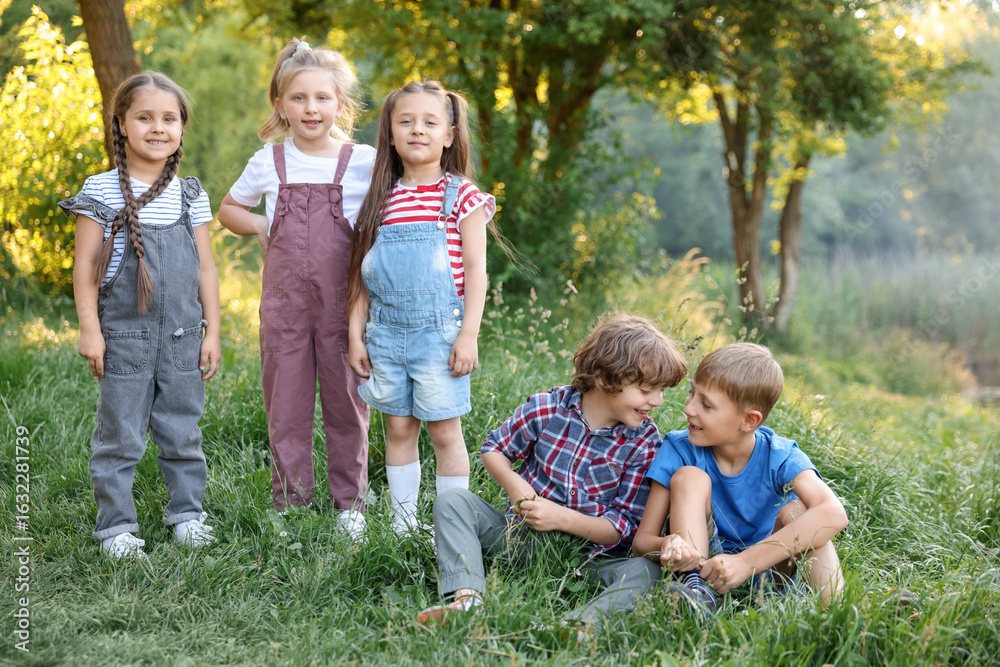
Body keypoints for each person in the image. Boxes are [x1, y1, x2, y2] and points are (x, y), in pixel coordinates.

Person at [417, 315, 689, 637]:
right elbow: (494, 449)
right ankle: (467, 602)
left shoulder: (644, 442)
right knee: (453, 502)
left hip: (589, 560)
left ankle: (577, 625)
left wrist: (561, 518)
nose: (657, 401)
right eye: (646, 390)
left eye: (660, 390)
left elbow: (623, 528)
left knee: (646, 570)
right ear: (605, 379)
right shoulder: (547, 408)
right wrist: (515, 486)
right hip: (518, 540)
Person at [218, 38, 374, 537]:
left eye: (322, 98)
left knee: (348, 404)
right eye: (299, 98)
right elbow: (229, 209)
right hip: (284, 308)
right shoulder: (270, 160)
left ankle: (350, 506)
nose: (311, 108)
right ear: (280, 105)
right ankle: (290, 504)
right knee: (286, 406)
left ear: (341, 105)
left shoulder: (363, 160)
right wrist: (260, 225)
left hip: (344, 306)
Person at [61, 72, 221, 559]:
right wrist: (90, 329)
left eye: (169, 118)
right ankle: (115, 528)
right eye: (145, 117)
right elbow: (85, 267)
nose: (158, 128)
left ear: (181, 126)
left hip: (182, 336)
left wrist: (212, 332)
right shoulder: (101, 190)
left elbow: (206, 268)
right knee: (120, 434)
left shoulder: (190, 195)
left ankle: (187, 516)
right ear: (121, 124)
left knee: (182, 431)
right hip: (124, 336)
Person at [346, 81, 494, 534]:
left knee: (445, 431)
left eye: (430, 122)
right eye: (406, 121)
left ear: (449, 135)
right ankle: (403, 524)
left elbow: (477, 271)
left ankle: (453, 525)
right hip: (386, 335)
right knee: (398, 429)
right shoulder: (381, 199)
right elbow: (364, 276)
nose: (417, 130)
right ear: (390, 135)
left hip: (440, 336)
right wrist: (355, 335)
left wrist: (468, 335)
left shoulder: (461, 195)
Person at [632, 342, 849, 615]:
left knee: (801, 511)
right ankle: (694, 592)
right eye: (692, 393)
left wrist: (746, 563)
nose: (689, 408)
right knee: (689, 477)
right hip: (704, 567)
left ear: (748, 421)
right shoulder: (678, 448)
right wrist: (668, 545)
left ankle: (837, 615)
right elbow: (642, 542)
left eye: (706, 404)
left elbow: (833, 513)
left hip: (770, 570)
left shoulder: (779, 455)